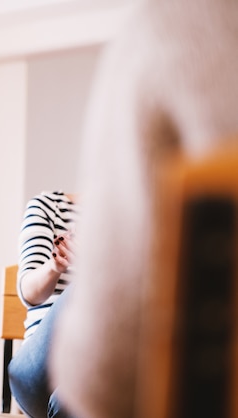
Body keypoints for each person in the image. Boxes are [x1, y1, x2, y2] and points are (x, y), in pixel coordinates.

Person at [49, 1, 238, 417]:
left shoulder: (168, 28)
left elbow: (108, 373)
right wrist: (58, 268)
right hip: (52, 313)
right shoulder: (44, 207)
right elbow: (31, 290)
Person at [7, 191, 78, 418]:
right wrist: (55, 266)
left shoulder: (146, 216)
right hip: (38, 370)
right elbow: (29, 292)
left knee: (69, 399)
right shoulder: (50, 206)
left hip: (105, 373)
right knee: (85, 291)